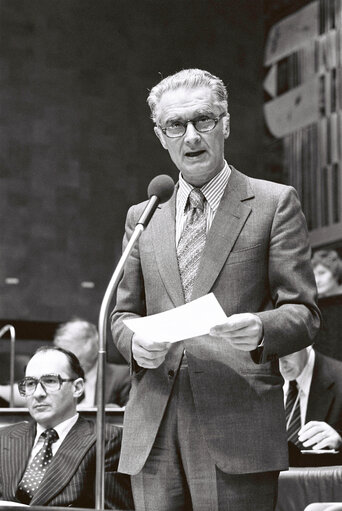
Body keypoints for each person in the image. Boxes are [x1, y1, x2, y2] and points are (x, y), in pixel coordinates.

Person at [111, 68, 321, 511]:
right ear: (160, 135)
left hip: (236, 424)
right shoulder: (144, 215)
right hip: (152, 427)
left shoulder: (273, 202)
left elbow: (303, 313)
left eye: (203, 120)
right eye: (175, 125)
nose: (191, 136)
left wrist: (261, 328)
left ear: (225, 123)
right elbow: (121, 315)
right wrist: (134, 342)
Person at [0, 346, 134, 509]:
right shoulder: (4, 437)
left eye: (50, 381)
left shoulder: (107, 440)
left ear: (77, 388)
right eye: (30, 383)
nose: (38, 393)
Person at [280, 346, 342, 457]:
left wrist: (340, 443)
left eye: (287, 353)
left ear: (308, 343)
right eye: (272, 357)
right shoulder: (259, 382)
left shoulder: (339, 378)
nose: (281, 364)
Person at [53, 318, 131, 407]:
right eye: (59, 347)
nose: (63, 353)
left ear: (93, 343)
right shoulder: (61, 379)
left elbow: (130, 415)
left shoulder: (122, 376)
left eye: (67, 343)